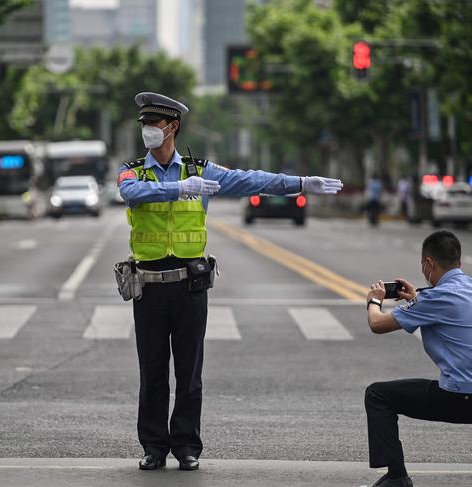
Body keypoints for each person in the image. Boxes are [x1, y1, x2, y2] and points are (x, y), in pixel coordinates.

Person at [117, 92, 343, 471]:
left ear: (172, 127)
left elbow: (250, 180)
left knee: (189, 372)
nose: (148, 131)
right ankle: (154, 447)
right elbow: (129, 193)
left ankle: (186, 446)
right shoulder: (134, 171)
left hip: (189, 285)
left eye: (154, 125)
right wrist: (178, 189)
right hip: (149, 286)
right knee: (152, 371)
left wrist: (302, 183)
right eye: (144, 125)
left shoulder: (201, 170)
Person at [364, 230, 472, 487]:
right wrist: (416, 300)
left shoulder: (433, 298)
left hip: (461, 398)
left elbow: (377, 325)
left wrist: (374, 301)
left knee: (377, 395)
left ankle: (396, 477)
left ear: (428, 263)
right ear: (459, 262)